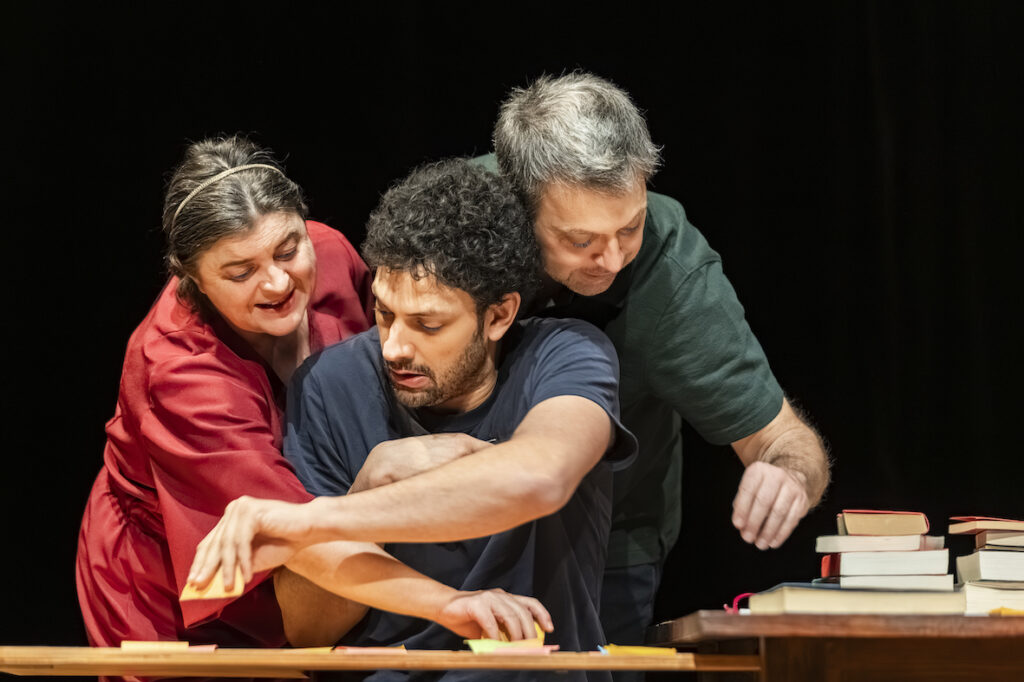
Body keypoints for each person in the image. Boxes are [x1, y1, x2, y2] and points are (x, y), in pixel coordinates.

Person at [76, 138, 549, 672]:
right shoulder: (179, 372)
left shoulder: (330, 253)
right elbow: (295, 536)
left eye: (287, 249)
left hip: (328, 539)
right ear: (192, 277)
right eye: (240, 272)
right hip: (172, 576)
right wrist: (451, 605)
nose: (278, 281)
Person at [188, 160, 637, 680]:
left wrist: (309, 520)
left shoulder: (568, 356)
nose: (394, 347)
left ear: (498, 315)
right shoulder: (330, 384)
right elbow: (309, 629)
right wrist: (368, 484)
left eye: (428, 324)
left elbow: (542, 477)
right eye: (383, 313)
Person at [483, 72, 832, 653]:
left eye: (629, 228)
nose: (611, 259)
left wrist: (787, 474)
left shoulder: (673, 274)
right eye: (580, 241)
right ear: (518, 209)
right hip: (458, 524)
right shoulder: (459, 219)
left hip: (610, 542)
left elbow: (784, 439)